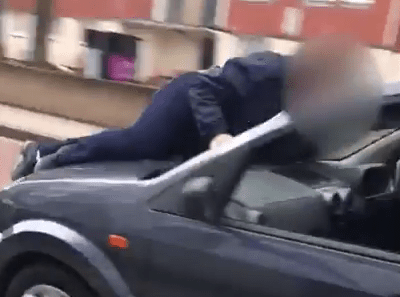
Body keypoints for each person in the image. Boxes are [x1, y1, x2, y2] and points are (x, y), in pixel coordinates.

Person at [11, 34, 371, 181]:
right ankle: (47, 158)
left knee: (148, 161)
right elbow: (202, 87)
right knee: (139, 145)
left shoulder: (313, 112)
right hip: (186, 102)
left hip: (212, 129)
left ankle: (44, 149)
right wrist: (217, 135)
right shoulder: (270, 71)